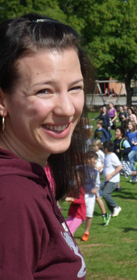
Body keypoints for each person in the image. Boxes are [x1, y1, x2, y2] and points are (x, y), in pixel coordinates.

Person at [0, 13, 90, 278]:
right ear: (3, 100)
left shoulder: (31, 177)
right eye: (44, 91)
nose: (66, 108)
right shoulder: (12, 198)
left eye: (75, 88)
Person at [81, 151, 101, 242]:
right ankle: (70, 230)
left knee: (89, 214)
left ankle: (86, 232)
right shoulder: (80, 169)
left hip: (90, 196)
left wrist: (96, 189)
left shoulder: (96, 171)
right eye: (94, 159)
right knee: (78, 214)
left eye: (96, 159)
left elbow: (98, 184)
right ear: (88, 160)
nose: (96, 161)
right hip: (81, 194)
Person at [102, 141, 123, 222]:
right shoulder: (107, 156)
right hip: (108, 180)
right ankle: (113, 210)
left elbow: (119, 166)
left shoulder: (113, 156)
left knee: (105, 194)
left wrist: (111, 175)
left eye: (103, 148)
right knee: (106, 195)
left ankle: (116, 207)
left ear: (106, 149)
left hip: (113, 180)